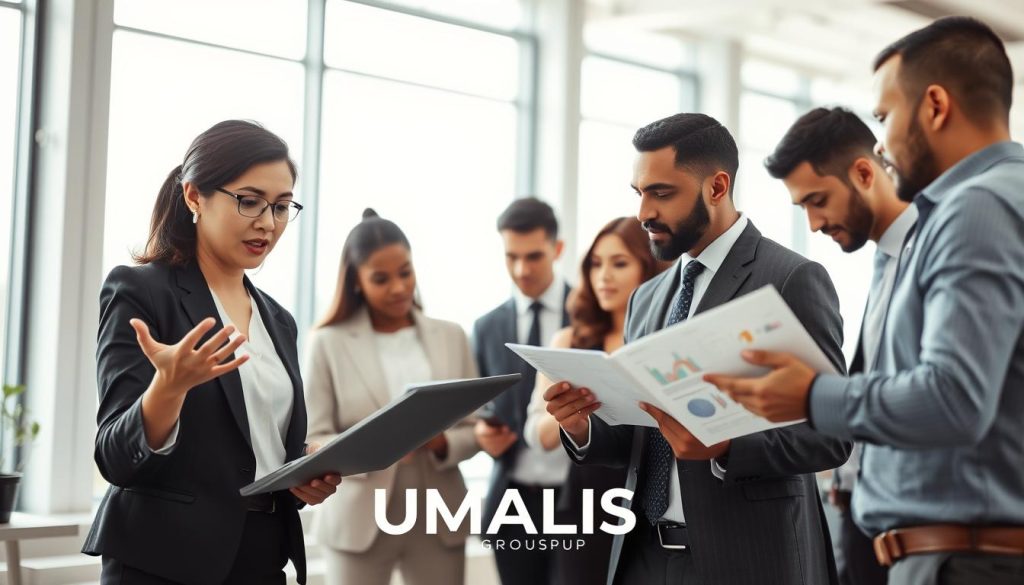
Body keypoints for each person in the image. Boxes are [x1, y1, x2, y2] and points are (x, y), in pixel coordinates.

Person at [708, 17, 1024, 585]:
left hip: (962, 561)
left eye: (884, 116)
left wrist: (809, 394)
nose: (880, 143)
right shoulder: (987, 203)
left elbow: (954, 397)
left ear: (934, 106)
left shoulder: (976, 207)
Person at [542, 113, 852, 584]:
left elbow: (832, 434)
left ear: (717, 186)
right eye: (639, 193)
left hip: (747, 559)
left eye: (662, 193)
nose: (644, 212)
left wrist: (726, 447)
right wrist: (582, 426)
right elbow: (641, 435)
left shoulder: (790, 279)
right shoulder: (647, 298)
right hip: (642, 555)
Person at [84, 120, 340, 585]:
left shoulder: (279, 321)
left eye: (282, 207)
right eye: (249, 201)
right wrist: (169, 386)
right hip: (162, 560)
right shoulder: (142, 291)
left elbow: (248, 448)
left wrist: (302, 473)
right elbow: (114, 457)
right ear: (194, 197)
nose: (268, 222)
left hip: (260, 556)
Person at [765, 106, 916, 585]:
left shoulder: (929, 254)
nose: (812, 224)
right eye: (802, 208)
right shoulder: (886, 260)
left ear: (865, 172)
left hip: (926, 530)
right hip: (865, 515)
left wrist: (811, 395)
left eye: (818, 200)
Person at [304, 209, 480, 585]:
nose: (399, 287)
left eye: (405, 272)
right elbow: (314, 438)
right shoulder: (327, 343)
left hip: (439, 511)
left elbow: (475, 429)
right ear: (356, 282)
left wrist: (442, 442)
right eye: (381, 279)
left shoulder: (451, 336)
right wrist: (374, 445)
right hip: (357, 517)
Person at [523, 216, 669, 585]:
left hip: (652, 493)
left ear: (647, 267)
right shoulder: (569, 341)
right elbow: (537, 434)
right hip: (587, 499)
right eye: (595, 264)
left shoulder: (666, 338)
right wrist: (570, 414)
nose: (603, 275)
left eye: (619, 263)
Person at [472, 197, 572, 584]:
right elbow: (481, 408)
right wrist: (483, 436)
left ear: (557, 249)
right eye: (511, 256)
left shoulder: (587, 315)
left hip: (577, 497)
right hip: (513, 498)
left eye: (533, 256)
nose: (521, 269)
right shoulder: (486, 327)